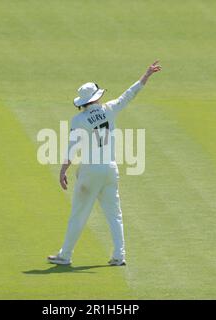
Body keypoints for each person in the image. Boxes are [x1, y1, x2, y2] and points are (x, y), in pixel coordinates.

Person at [48, 60, 162, 266]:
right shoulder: (109, 109)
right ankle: (120, 256)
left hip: (90, 171)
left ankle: (65, 255)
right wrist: (146, 75)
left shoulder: (79, 120)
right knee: (114, 214)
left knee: (78, 214)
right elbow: (129, 95)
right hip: (110, 169)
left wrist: (62, 171)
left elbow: (72, 149)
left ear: (83, 102)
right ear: (97, 97)